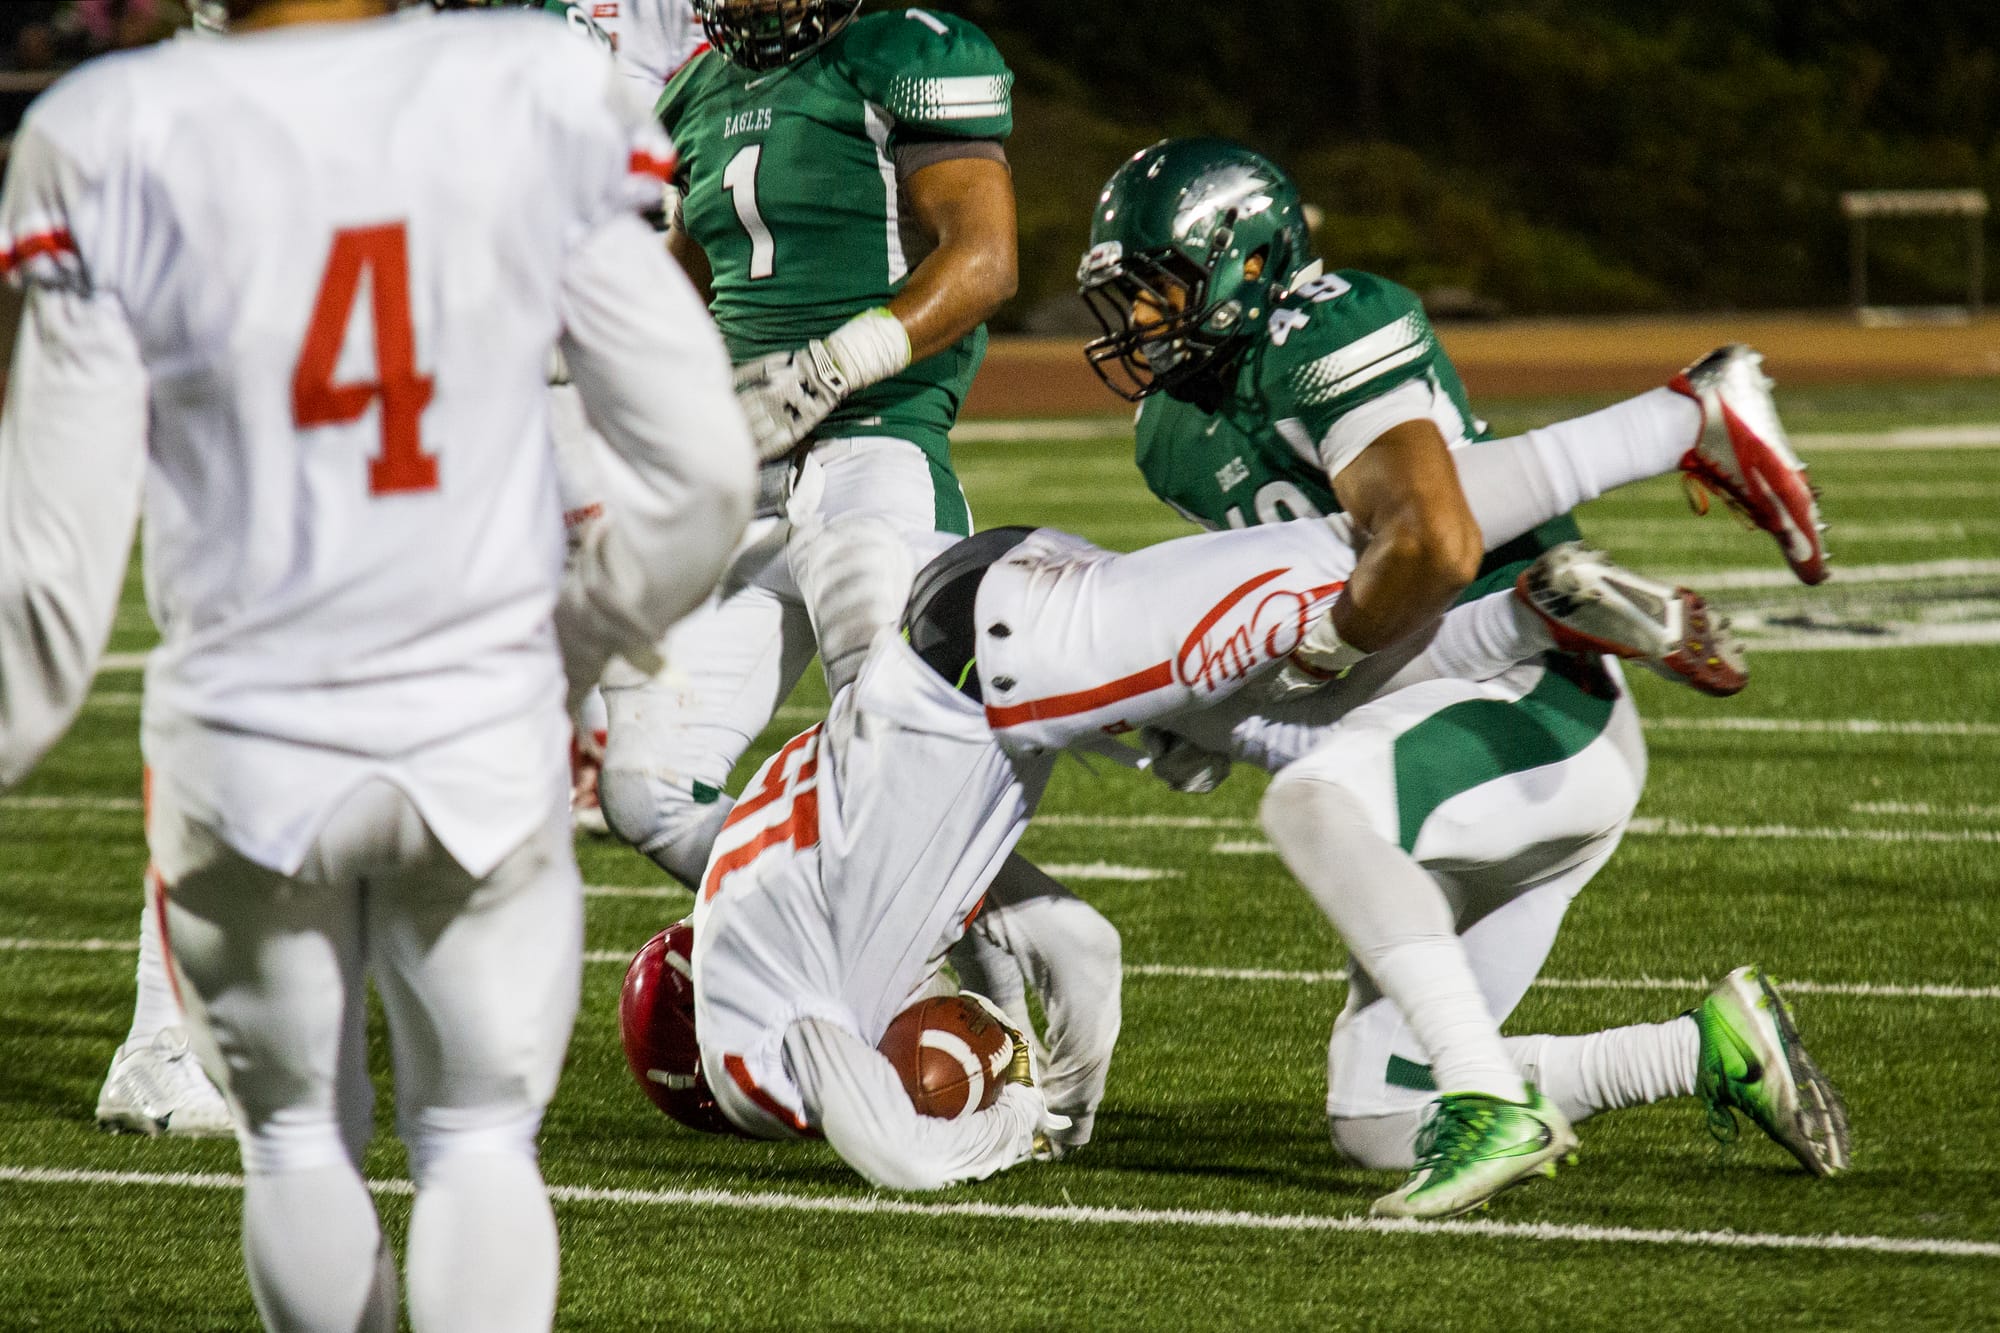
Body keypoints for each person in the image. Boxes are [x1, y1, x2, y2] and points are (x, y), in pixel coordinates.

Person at [0, 4, 754, 1332]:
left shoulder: (105, 130)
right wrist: (561, 651)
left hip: (243, 736)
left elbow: (45, 608)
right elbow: (700, 482)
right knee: (473, 1137)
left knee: (292, 1139)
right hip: (475, 719)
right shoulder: (535, 87)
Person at [1074, 137, 1842, 1217]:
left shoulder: (1326, 323)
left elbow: (1426, 543)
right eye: (1128, 300)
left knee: (1312, 794)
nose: (1139, 324)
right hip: (1424, 715)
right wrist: (1214, 707)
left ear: (1247, 265)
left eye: (1157, 293)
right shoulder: (1169, 436)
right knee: (1379, 1120)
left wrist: (1293, 673)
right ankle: (1701, 1048)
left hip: (1532, 707)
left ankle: (1492, 1101)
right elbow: (1312, 597)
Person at [595, 0, 1023, 893]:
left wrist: (830, 367)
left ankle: (1010, 960)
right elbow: (688, 283)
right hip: (744, 479)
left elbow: (984, 260)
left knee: (895, 751)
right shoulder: (694, 92)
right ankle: (839, 944)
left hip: (875, 454)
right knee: (648, 789)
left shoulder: (904, 53)